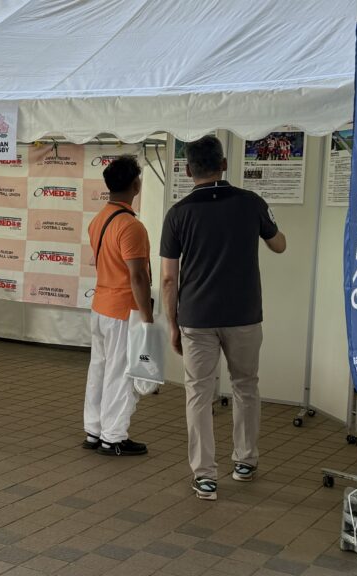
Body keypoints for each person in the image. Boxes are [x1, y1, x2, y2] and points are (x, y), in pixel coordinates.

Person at [160, 135, 286, 500]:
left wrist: (172, 325)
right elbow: (279, 244)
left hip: (196, 317)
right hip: (244, 314)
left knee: (199, 393)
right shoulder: (251, 202)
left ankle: (205, 476)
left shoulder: (178, 213)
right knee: (246, 385)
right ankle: (245, 462)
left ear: (187, 170)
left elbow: (168, 278)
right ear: (225, 164)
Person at [82, 155, 152, 456]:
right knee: (120, 373)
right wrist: (148, 318)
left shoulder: (99, 219)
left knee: (99, 369)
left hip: (100, 305)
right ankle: (113, 437)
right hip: (123, 309)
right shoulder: (131, 226)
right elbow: (138, 276)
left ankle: (94, 431)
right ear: (136, 185)